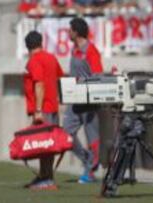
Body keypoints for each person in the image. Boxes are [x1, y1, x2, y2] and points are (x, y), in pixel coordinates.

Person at [63, 17, 103, 184]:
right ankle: (88, 159)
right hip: (74, 99)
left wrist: (85, 85)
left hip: (88, 98)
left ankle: (90, 172)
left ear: (76, 32)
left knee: (91, 135)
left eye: (70, 29)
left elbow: (98, 75)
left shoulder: (91, 50)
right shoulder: (74, 49)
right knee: (65, 134)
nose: (68, 32)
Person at [23, 31, 64, 190]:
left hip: (43, 109)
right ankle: (45, 176)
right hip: (52, 106)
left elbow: (39, 84)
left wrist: (38, 110)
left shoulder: (34, 61)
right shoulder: (51, 57)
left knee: (44, 146)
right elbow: (59, 77)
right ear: (41, 42)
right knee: (49, 145)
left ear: (27, 46)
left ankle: (47, 179)